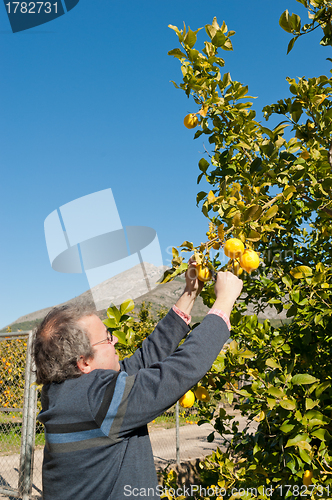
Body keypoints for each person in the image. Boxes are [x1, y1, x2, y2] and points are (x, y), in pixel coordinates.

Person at [33, 261, 243, 499]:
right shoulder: (96, 402)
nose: (115, 342)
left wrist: (189, 294)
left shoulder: (66, 392)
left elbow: (142, 361)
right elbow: (177, 372)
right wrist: (224, 302)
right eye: (107, 339)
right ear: (84, 362)